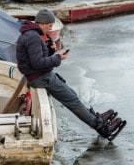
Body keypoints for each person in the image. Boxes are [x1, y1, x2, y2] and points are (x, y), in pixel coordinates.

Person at [16, 9, 124, 139]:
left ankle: (93, 117)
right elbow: (38, 63)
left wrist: (50, 51)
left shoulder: (30, 34)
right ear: (43, 23)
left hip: (40, 75)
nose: (50, 29)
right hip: (40, 77)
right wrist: (57, 58)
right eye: (49, 26)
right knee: (71, 100)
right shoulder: (33, 37)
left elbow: (35, 59)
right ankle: (100, 127)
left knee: (72, 94)